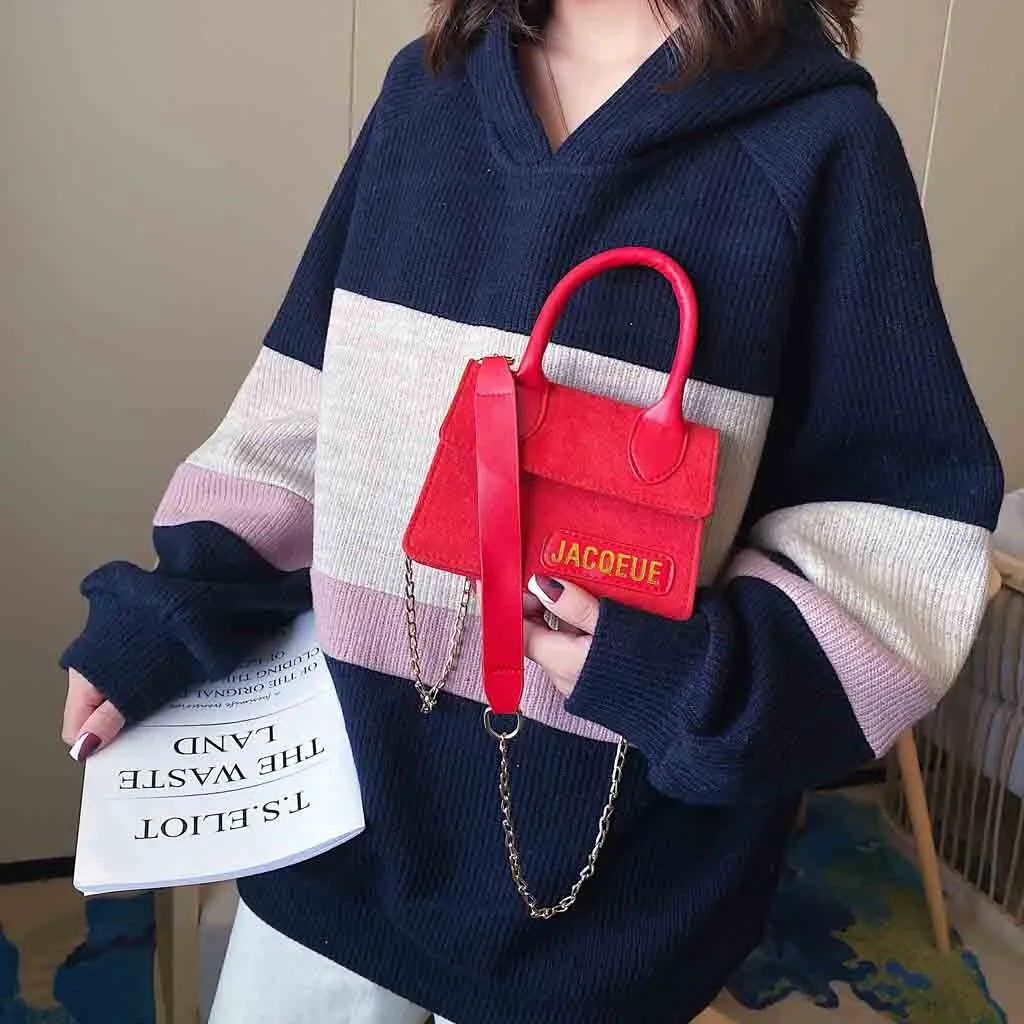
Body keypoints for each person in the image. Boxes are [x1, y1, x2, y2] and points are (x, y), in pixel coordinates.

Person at [60, 1, 1004, 1021]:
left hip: (605, 901)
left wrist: (680, 674)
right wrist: (166, 619)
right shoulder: (424, 97)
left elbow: (894, 548)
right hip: (336, 837)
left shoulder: (821, 145)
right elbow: (301, 419)